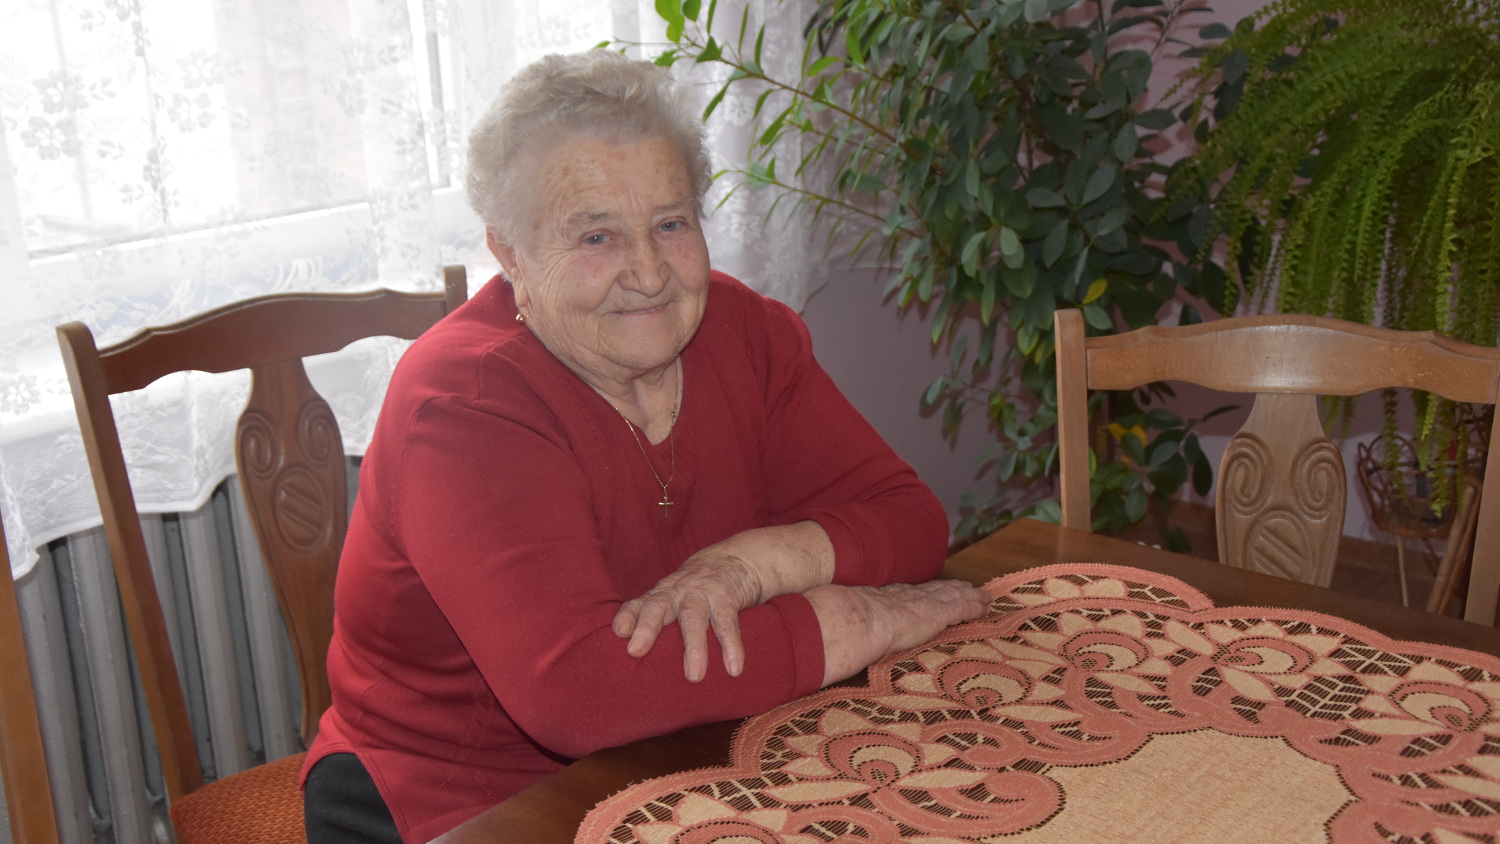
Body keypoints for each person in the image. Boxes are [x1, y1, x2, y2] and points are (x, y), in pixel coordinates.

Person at [300, 49, 991, 844]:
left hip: (691, 751)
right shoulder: (465, 401)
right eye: (597, 236)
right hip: (465, 800)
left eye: (671, 224)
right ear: (511, 254)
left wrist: (753, 566)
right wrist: (846, 620)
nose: (649, 273)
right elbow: (580, 693)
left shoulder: (744, 331)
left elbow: (909, 520)